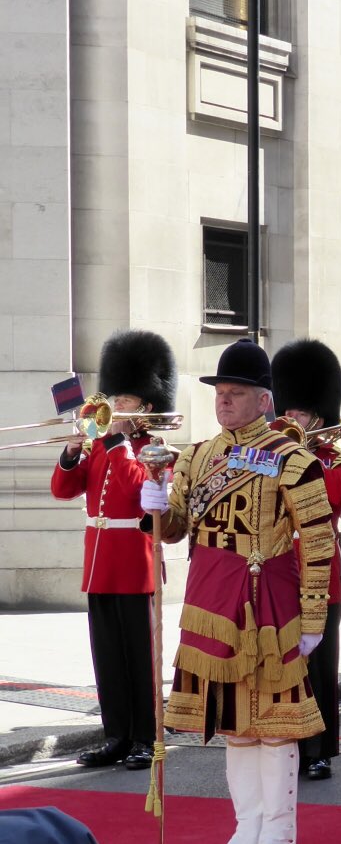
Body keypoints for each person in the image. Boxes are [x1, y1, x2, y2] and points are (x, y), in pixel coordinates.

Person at [139, 337, 335, 844]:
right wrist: (156, 499)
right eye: (220, 392)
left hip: (267, 607)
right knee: (234, 725)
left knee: (274, 724)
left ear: (263, 399)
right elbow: (175, 529)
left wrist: (314, 619)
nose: (224, 401)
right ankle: (247, 826)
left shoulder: (292, 459)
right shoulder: (196, 457)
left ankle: (279, 830)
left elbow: (317, 544)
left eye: (236, 392)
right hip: (209, 603)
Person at [52, 330, 175, 772]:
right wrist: (70, 452)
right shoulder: (101, 446)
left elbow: (142, 493)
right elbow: (63, 490)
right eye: (115, 398)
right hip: (100, 564)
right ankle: (116, 735)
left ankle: (145, 736)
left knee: (140, 658)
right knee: (106, 657)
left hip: (135, 564)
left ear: (145, 406)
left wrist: (119, 445)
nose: (115, 407)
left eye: (125, 400)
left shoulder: (155, 450)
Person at [270, 338, 341, 781]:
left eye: (299, 415)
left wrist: (298, 455)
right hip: (278, 573)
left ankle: (320, 749)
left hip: (322, 578)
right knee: (285, 664)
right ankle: (287, 740)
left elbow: (325, 496)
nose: (290, 420)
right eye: (287, 412)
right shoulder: (270, 452)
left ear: (318, 418)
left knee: (320, 669)